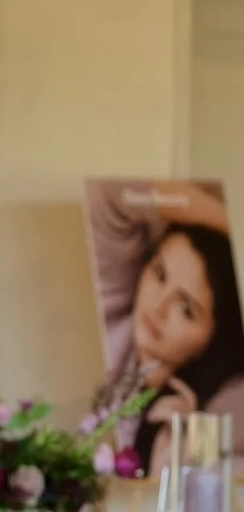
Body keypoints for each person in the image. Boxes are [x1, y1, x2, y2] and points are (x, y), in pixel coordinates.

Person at [86, 181, 244, 473]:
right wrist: (232, 223)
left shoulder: (220, 406)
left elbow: (213, 500)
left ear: (212, 338)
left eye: (185, 309)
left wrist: (191, 449)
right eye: (160, 274)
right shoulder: (117, 304)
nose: (158, 307)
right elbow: (112, 191)